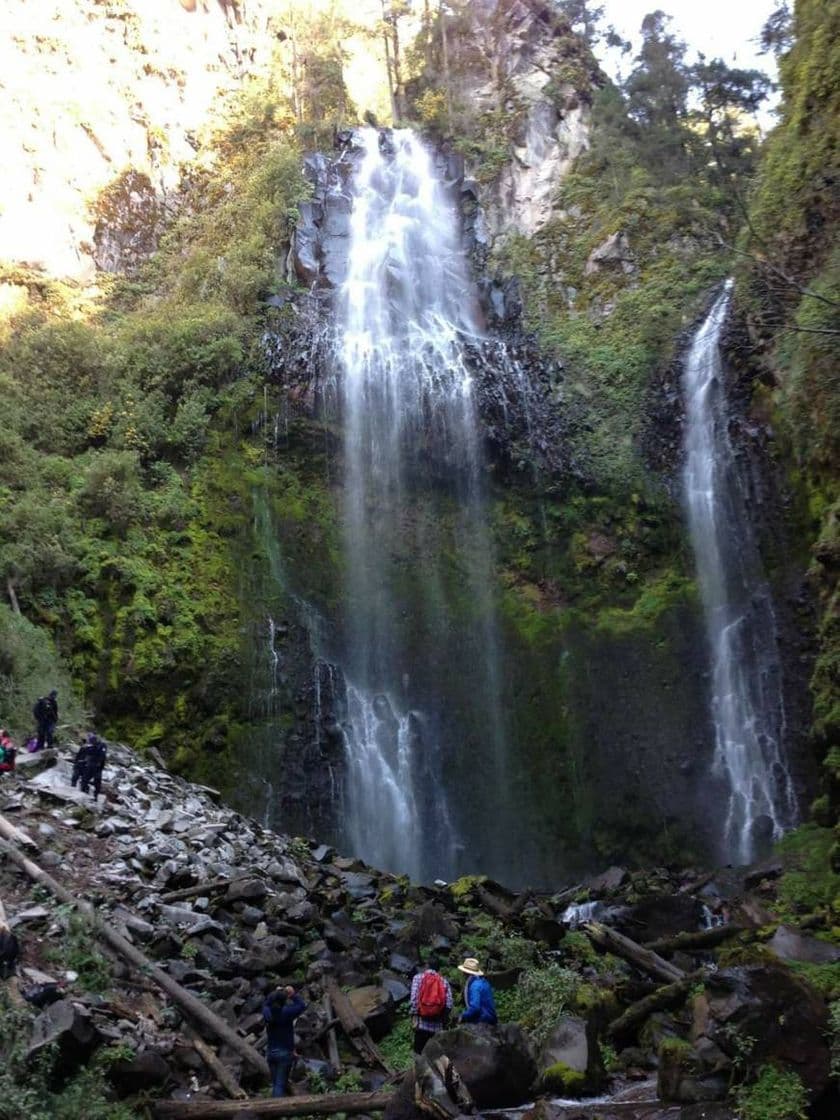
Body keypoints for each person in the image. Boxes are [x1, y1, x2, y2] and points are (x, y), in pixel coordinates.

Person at [262, 983, 306, 1097]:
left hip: (271, 1052)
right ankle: (277, 1110)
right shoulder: (287, 1012)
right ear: (284, 1001)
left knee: (276, 1083)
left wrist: (276, 993)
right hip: (284, 1053)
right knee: (280, 1085)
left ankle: (274, 1107)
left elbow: (266, 1003)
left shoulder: (267, 1012)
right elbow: (302, 1005)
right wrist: (292, 994)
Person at [410, 955, 453, 1054]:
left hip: (421, 1025)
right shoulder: (444, 981)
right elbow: (449, 1005)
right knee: (435, 1056)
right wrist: (443, 1019)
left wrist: (414, 1016)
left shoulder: (418, 978)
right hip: (437, 1027)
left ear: (426, 966)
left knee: (419, 1055)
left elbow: (414, 1000)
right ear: (439, 968)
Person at [457, 958, 497, 1025]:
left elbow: (475, 1008)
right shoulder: (483, 981)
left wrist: (463, 1016)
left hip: (483, 1020)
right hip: (490, 1017)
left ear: (465, 973)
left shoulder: (475, 986)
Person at [81, 736, 107, 800]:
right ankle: (83, 791)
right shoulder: (90, 746)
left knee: (97, 782)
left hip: (98, 767)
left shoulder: (102, 745)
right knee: (85, 779)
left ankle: (95, 796)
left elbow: (103, 755)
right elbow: (87, 753)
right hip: (91, 764)